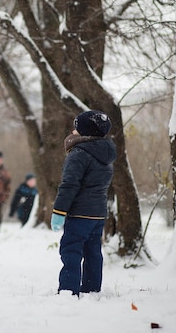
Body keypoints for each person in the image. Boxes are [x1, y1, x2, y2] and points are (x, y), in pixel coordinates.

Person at [51, 110, 116, 296]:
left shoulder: (79, 153)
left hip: (79, 213)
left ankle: (68, 290)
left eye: (77, 127)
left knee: (71, 250)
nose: (73, 131)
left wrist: (59, 211)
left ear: (86, 132)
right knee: (93, 252)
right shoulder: (105, 154)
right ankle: (91, 288)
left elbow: (69, 185)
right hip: (97, 214)